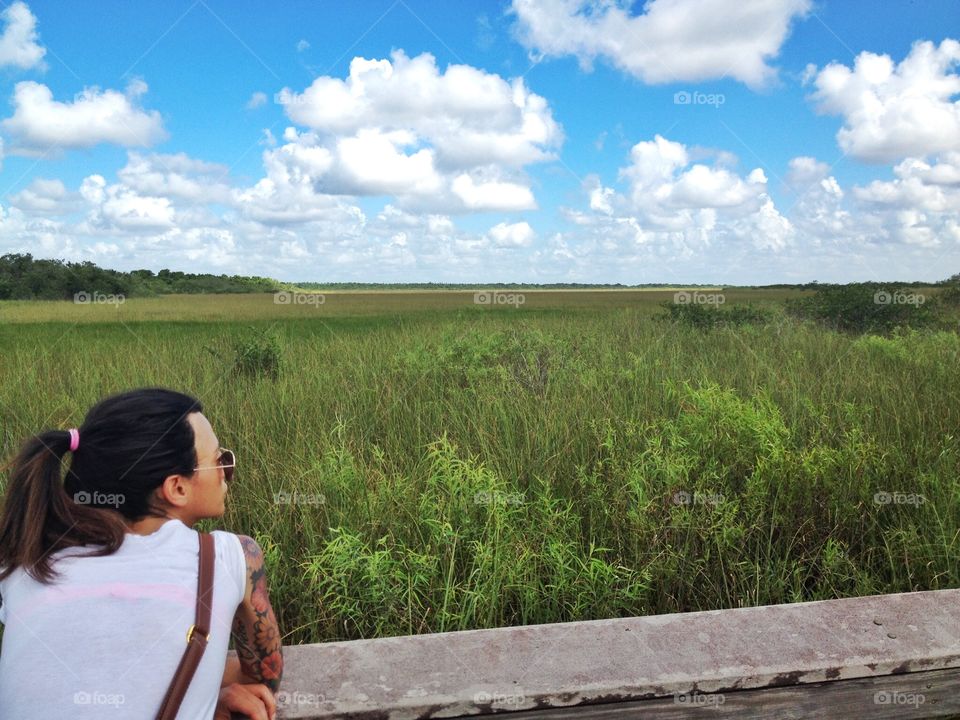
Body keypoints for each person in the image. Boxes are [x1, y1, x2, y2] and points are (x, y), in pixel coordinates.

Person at [0, 387, 283, 719]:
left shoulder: (22, 561)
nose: (227, 471)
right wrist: (206, 693)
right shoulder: (228, 557)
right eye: (219, 460)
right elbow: (264, 673)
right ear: (176, 488)